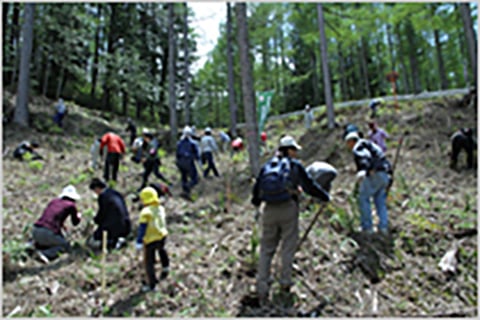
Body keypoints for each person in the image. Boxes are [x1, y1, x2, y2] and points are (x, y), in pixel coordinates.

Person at [251, 135, 330, 304]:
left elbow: (256, 191)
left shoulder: (268, 165)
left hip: (269, 211)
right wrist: (325, 197)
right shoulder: (294, 166)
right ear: (290, 150)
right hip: (288, 208)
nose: (296, 153)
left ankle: (262, 287)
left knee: (266, 249)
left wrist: (258, 204)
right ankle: (285, 284)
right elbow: (309, 186)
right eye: (295, 150)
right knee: (287, 247)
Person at [344, 131, 392, 234]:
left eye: (348, 143)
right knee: (380, 200)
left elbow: (364, 157)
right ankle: (383, 227)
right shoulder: (371, 145)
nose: (348, 146)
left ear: (351, 141)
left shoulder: (359, 146)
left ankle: (367, 227)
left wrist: (364, 170)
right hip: (384, 174)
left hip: (374, 173)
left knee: (363, 198)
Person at [31, 185, 81, 263]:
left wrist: (61, 225)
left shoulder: (54, 201)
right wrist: (79, 216)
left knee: (47, 243)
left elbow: (52, 216)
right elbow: (75, 222)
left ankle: (30, 248)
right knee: (65, 246)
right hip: (48, 232)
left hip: (36, 229)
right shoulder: (71, 205)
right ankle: (44, 254)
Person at [136, 187, 170, 292]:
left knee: (149, 262)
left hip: (150, 239)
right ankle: (166, 266)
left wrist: (139, 241)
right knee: (162, 250)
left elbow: (142, 227)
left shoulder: (145, 212)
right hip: (162, 235)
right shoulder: (160, 208)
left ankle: (152, 284)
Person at [88, 178, 131, 250]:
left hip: (114, 227)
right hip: (126, 224)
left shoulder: (103, 197)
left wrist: (95, 220)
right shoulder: (114, 193)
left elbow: (102, 213)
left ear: (97, 188)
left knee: (95, 240)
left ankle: (113, 243)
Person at [176, 126, 200, 199]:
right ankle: (188, 186)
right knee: (195, 178)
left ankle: (186, 192)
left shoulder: (179, 143)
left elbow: (177, 154)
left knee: (184, 177)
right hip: (189, 161)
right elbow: (197, 154)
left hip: (180, 162)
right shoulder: (193, 143)